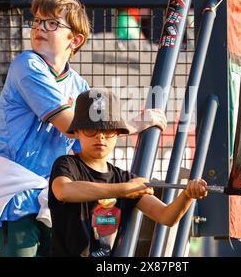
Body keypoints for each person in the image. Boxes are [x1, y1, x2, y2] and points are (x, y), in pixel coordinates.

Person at [0, 0, 166, 257]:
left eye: (52, 23)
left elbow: (86, 146)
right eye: (38, 21)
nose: (40, 27)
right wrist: (131, 125)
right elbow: (71, 126)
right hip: (9, 199)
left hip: (48, 203)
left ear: (75, 40)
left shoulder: (80, 86)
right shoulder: (26, 65)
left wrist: (125, 185)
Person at [49, 88, 208, 257]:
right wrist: (125, 189)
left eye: (108, 130)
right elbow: (64, 191)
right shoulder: (67, 164)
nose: (100, 137)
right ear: (78, 131)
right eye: (91, 129)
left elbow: (166, 216)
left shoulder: (124, 179)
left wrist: (188, 195)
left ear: (118, 133)